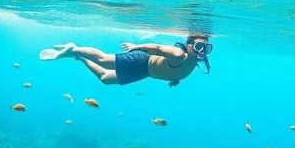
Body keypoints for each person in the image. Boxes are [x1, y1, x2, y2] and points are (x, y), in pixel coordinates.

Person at [39, 34, 212, 86]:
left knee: (106, 79)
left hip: (145, 72)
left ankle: (79, 56)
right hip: (142, 60)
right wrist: (137, 46)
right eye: (198, 46)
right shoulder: (178, 54)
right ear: (188, 45)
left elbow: (178, 71)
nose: (202, 51)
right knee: (103, 59)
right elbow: (157, 49)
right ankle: (73, 47)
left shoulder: (196, 61)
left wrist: (175, 79)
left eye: (206, 48)